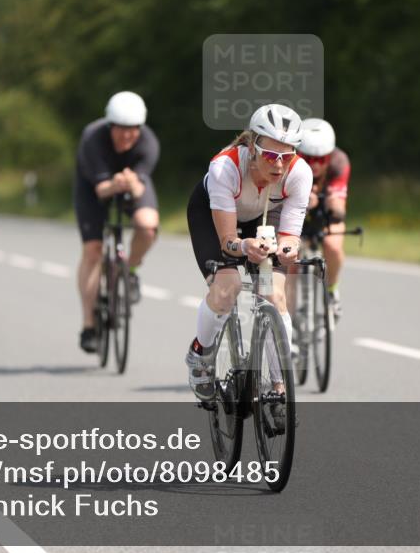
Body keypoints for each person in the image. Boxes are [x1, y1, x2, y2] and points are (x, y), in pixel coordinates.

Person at [184, 103, 312, 403]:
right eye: (270, 155)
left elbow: (291, 236)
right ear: (252, 147)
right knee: (226, 289)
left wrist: (287, 249)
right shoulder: (224, 167)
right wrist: (244, 247)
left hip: (265, 219)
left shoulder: (300, 173)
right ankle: (201, 356)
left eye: (287, 155)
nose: (278, 165)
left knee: (274, 294)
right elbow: (228, 240)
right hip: (214, 217)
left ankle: (279, 384)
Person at [74, 91, 160, 354]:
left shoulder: (148, 142)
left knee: (147, 225)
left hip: (131, 183)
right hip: (94, 188)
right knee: (93, 250)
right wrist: (116, 183)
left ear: (140, 128)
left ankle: (130, 270)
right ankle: (89, 325)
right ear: (110, 126)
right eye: (121, 130)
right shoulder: (92, 138)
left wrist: (131, 186)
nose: (126, 136)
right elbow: (101, 190)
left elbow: (138, 186)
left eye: (132, 130)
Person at [296, 118, 350, 319]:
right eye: (309, 158)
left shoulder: (339, 162)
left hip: (324, 211)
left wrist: (330, 201)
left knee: (333, 246)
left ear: (330, 155)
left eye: (321, 159)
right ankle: (287, 320)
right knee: (289, 260)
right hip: (294, 210)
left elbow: (339, 208)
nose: (315, 164)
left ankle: (331, 291)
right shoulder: (289, 160)